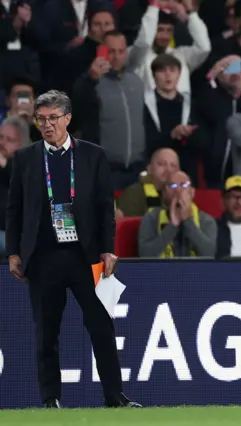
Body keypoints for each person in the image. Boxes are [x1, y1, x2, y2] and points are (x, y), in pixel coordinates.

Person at [5, 90, 141, 408]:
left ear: (67, 118)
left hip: (86, 255)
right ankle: (51, 399)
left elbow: (105, 206)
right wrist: (14, 252)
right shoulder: (25, 158)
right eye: (41, 119)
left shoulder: (93, 155)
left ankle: (114, 395)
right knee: (46, 332)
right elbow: (14, 209)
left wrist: (108, 249)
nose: (47, 125)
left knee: (101, 327)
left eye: (53, 118)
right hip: (43, 257)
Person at [138, 170, 218, 258]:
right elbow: (145, 256)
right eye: (172, 185)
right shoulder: (151, 218)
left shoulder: (206, 220)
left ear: (192, 192)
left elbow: (209, 254)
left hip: (195, 271)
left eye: (183, 185)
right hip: (162, 271)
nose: (178, 190)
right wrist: (172, 226)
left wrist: (188, 221)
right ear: (164, 193)